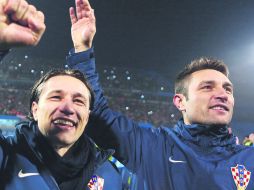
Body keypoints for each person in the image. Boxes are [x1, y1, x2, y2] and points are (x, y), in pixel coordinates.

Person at [66, 0, 254, 189]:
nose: (222, 94)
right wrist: (82, 50)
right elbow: (97, 115)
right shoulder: (153, 146)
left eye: (227, 89)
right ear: (180, 101)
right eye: (207, 87)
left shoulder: (249, 158)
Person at [0, 0, 124, 189]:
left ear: (88, 115)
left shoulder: (111, 175)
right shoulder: (6, 157)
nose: (68, 108)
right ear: (35, 109)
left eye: (79, 101)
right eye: (56, 97)